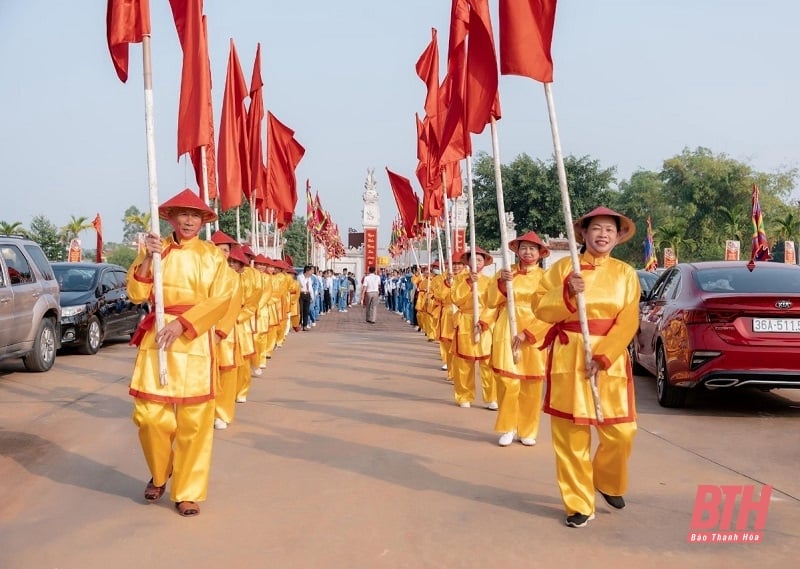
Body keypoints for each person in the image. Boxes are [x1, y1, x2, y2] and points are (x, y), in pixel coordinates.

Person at [127, 188, 235, 517]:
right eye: (182, 214)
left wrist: (184, 324)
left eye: (195, 215)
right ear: (170, 218)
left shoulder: (213, 256)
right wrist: (148, 257)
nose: (188, 221)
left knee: (194, 422)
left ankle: (187, 491)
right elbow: (135, 292)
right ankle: (162, 472)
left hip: (194, 338)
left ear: (203, 221)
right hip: (157, 338)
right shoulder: (156, 249)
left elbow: (222, 298)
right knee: (149, 416)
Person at [534, 206, 640, 528]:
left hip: (609, 359)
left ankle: (607, 480)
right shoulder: (564, 268)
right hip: (570, 354)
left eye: (610, 229)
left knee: (621, 431)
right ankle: (579, 503)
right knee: (571, 435)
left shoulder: (625, 273)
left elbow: (629, 319)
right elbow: (539, 306)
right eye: (597, 229)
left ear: (618, 236)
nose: (603, 234)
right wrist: (566, 292)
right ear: (582, 233)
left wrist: (605, 353)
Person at [483, 231, 550, 447]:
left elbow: (550, 310)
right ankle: (508, 426)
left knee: (531, 384)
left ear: (540, 253)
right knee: (507, 381)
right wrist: (501, 284)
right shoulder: (506, 273)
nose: (528, 252)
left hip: (535, 329)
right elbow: (490, 301)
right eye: (524, 247)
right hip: (507, 327)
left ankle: (528, 429)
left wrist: (529, 333)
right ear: (517, 251)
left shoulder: (545, 278)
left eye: (532, 248)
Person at [450, 247, 496, 408]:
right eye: (473, 259)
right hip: (465, 321)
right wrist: (469, 283)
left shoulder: (490, 281)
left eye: (479, 260)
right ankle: (464, 395)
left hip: (484, 323)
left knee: (488, 363)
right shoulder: (459, 279)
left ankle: (491, 397)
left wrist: (485, 321)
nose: (476, 263)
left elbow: (494, 303)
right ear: (467, 262)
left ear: (484, 262)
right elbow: (456, 299)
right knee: (464, 363)